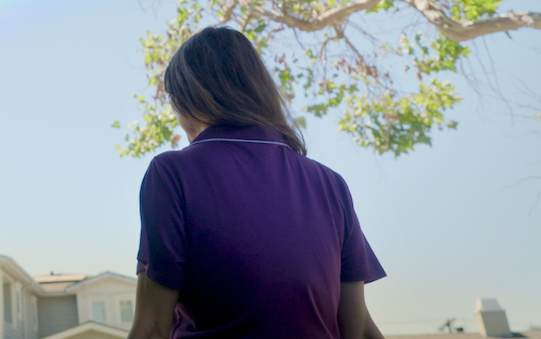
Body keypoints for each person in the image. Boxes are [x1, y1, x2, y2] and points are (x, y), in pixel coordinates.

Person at [126, 26, 386, 339]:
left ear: (187, 97)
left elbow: (152, 327)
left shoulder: (171, 173)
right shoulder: (331, 184)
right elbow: (358, 329)